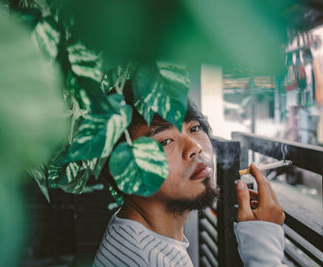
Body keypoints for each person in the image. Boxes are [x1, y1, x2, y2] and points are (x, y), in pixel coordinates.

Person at [93, 102, 286, 267]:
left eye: (194, 128)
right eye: (165, 141)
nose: (195, 146)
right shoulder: (147, 260)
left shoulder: (133, 232)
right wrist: (263, 247)